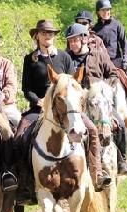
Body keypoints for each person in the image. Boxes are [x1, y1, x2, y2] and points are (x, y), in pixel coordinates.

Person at [16, 19, 109, 190]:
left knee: (93, 130)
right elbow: (26, 88)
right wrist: (38, 100)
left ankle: (97, 173)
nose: (47, 36)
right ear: (37, 36)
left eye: (50, 33)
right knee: (20, 135)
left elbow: (74, 83)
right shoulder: (30, 59)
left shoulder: (64, 57)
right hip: (40, 108)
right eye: (44, 33)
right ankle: (23, 182)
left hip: (67, 108)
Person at [65, 23, 127, 175]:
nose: (72, 44)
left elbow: (113, 73)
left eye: (75, 40)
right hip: (78, 104)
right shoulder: (67, 58)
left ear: (84, 39)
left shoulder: (99, 54)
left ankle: (122, 160)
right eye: (70, 41)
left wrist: (103, 89)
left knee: (120, 124)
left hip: (99, 101)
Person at [92, 0, 127, 120]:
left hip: (116, 61)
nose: (107, 12)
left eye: (108, 9)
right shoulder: (94, 29)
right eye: (104, 10)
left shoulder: (117, 25)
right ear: (98, 12)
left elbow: (124, 44)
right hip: (101, 64)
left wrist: (125, 59)